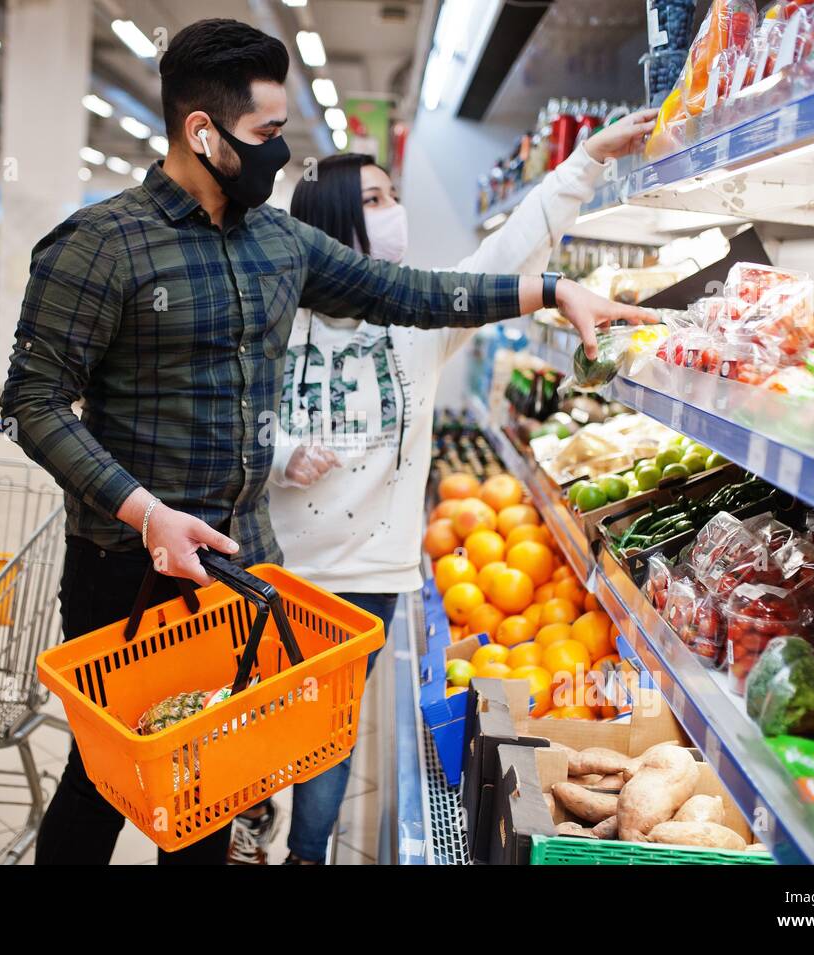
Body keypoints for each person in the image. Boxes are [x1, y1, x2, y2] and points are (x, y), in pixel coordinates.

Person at [1, 17, 652, 866]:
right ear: (204, 132)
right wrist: (146, 512)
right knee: (101, 780)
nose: (279, 154)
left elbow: (410, 291)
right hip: (128, 569)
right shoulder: (100, 246)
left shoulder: (278, 241)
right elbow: (32, 402)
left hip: (240, 567)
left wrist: (552, 289)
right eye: (268, 134)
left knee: (211, 789)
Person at [226, 110, 658, 865]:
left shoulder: (415, 319)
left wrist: (584, 161)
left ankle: (305, 854)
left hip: (368, 576)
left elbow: (504, 255)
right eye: (376, 199)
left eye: (394, 195)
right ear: (330, 220)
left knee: (331, 728)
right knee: (257, 716)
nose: (395, 214)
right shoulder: (268, 317)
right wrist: (281, 450)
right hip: (270, 566)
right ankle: (247, 813)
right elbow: (225, 422)